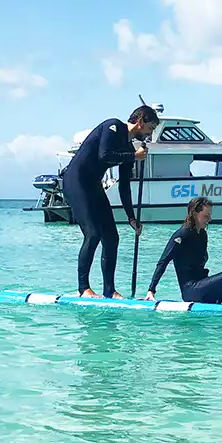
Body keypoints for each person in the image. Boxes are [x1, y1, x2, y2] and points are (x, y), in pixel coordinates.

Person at [62, 104, 159, 298]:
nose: (150, 134)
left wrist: (131, 218)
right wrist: (133, 156)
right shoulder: (113, 126)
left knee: (112, 237)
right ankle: (83, 289)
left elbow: (124, 187)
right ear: (140, 122)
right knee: (93, 234)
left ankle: (109, 290)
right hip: (76, 181)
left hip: (93, 185)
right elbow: (104, 154)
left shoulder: (129, 149)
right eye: (151, 128)